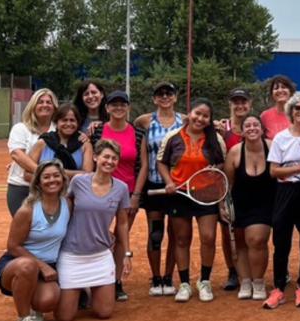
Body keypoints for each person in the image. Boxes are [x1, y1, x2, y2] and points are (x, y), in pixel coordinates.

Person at [54, 140, 132, 321]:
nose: (110, 161)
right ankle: (80, 288)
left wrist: (127, 254)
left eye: (114, 158)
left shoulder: (121, 188)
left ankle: (88, 289)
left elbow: (122, 224)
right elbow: (66, 209)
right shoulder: (78, 181)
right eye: (106, 156)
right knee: (64, 318)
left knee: (104, 313)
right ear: (95, 157)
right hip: (72, 254)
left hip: (100, 255)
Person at [0, 159, 71, 321]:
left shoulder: (67, 204)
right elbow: (12, 246)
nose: (52, 180)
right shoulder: (27, 210)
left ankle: (33, 303)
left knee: (48, 301)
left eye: (56, 176)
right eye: (46, 177)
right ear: (37, 182)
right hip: (17, 264)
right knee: (28, 266)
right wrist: (41, 265)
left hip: (46, 267)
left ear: (63, 179)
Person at [157, 98, 227, 303]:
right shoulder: (173, 136)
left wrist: (213, 172)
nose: (201, 118)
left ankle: (204, 281)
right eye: (198, 113)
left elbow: (222, 164)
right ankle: (185, 284)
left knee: (208, 237)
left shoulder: (216, 139)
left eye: (206, 116)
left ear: (210, 119)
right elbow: (161, 162)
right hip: (180, 194)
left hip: (207, 194)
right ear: (190, 113)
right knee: (181, 239)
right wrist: (168, 181)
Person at [90, 90, 147, 301]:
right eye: (114, 104)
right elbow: (89, 157)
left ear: (129, 108)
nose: (119, 108)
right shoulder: (97, 131)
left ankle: (115, 282)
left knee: (122, 236)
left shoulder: (138, 132)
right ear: (106, 108)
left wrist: (136, 195)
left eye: (123, 104)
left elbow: (143, 165)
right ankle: (95, 279)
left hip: (128, 192)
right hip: (100, 191)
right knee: (98, 235)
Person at [264, 93, 300, 309]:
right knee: (281, 241)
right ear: (291, 111)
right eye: (298, 108)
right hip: (285, 192)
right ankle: (278, 288)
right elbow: (273, 171)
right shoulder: (280, 138)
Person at [133, 82, 184, 297]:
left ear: (175, 97)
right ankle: (155, 277)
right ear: (154, 99)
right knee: (156, 233)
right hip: (154, 183)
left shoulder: (185, 120)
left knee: (175, 233)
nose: (165, 97)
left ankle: (168, 276)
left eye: (169, 93)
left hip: (178, 185)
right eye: (160, 94)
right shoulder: (144, 121)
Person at [224, 115, 276, 300]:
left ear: (262, 128)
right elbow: (228, 184)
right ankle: (245, 281)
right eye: (247, 126)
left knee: (256, 239)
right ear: (242, 130)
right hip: (240, 203)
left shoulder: (272, 146)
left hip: (265, 204)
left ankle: (258, 282)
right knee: (240, 243)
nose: (252, 128)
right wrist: (224, 206)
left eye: (255, 125)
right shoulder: (235, 152)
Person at [217, 88, 252, 292]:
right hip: (227, 188)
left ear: (249, 103)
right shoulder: (222, 129)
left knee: (249, 231)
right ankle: (232, 271)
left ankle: (249, 269)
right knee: (227, 231)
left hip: (250, 189)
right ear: (230, 104)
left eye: (243, 101)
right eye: (236, 102)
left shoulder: (255, 126)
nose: (240, 106)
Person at [7, 88, 58, 216]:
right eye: (40, 102)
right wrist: (43, 173)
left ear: (54, 107)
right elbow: (17, 154)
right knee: (23, 230)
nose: (45, 105)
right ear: (33, 105)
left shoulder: (59, 130)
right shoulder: (21, 128)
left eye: (48, 102)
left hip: (52, 188)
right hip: (21, 187)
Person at [27, 103, 93, 180]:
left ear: (78, 123)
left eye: (72, 120)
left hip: (74, 191)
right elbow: (27, 175)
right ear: (56, 122)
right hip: (45, 190)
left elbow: (87, 174)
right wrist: (50, 180)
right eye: (64, 120)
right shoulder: (43, 142)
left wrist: (52, 172)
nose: (68, 124)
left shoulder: (85, 145)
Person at [260, 75, 297, 139]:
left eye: (283, 87)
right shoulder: (265, 116)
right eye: (276, 88)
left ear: (290, 91)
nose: (280, 90)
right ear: (272, 93)